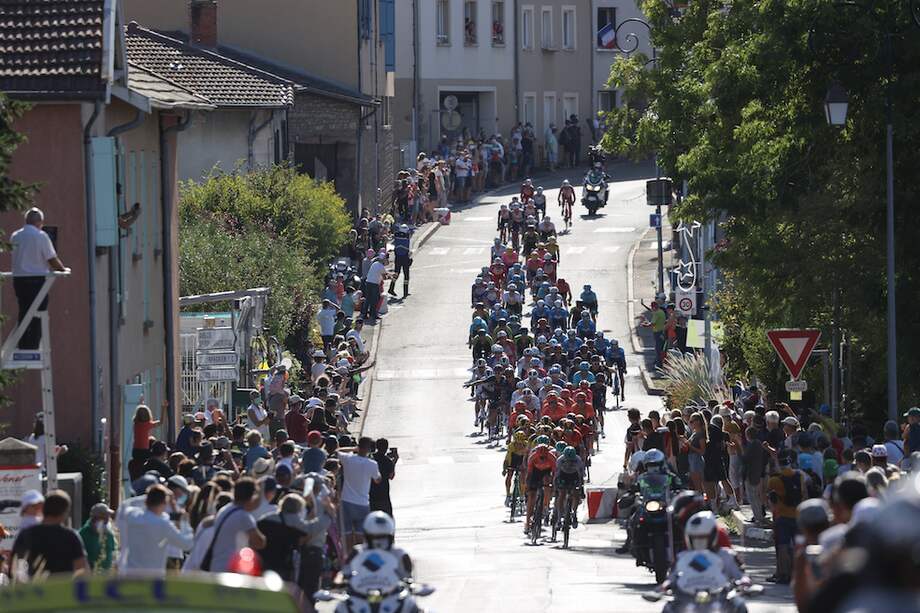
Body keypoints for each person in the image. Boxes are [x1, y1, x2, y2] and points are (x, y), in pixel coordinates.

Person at [10, 207, 67, 349]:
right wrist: (63, 270)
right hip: (36, 281)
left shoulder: (16, 236)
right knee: (37, 312)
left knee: (24, 310)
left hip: (19, 281)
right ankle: (32, 345)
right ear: (40, 222)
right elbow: (52, 259)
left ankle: (23, 343)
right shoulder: (41, 236)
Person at [10, 490, 86, 578]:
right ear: (65, 512)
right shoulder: (71, 536)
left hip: (35, 590)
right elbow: (82, 569)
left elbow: (15, 567)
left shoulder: (26, 534)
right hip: (65, 590)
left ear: (43, 509)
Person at [120, 485, 194, 574]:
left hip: (130, 575)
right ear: (164, 503)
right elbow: (187, 545)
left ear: (146, 501)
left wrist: (148, 496)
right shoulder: (163, 525)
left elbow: (124, 505)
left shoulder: (132, 516)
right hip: (153, 580)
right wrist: (185, 524)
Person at [205, 477, 266, 572]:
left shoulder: (225, 509)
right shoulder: (244, 516)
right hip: (229, 569)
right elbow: (259, 543)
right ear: (252, 496)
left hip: (216, 566)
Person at [767, 449, 806, 584]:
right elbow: (804, 494)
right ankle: (797, 572)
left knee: (782, 545)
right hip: (798, 515)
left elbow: (771, 501)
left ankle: (784, 574)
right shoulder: (799, 476)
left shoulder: (774, 481)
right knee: (797, 545)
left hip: (782, 516)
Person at [338, 437, 382, 549]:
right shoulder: (372, 464)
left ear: (358, 446)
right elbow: (377, 480)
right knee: (360, 536)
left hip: (346, 502)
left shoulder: (348, 459)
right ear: (369, 449)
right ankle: (359, 558)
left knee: (347, 534)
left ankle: (348, 559)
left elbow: (337, 451)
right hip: (362, 503)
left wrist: (354, 448)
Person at [78, 502, 116, 572]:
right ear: (95, 517)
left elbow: (113, 554)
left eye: (108, 516)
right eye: (104, 516)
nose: (107, 519)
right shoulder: (83, 534)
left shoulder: (109, 534)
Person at [370, 438, 398, 518]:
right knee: (388, 516)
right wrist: (394, 462)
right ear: (386, 448)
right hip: (383, 493)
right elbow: (391, 476)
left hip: (371, 491)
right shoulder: (388, 461)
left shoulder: (371, 458)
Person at [388, 224, 413, 299]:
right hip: (404, 257)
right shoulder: (407, 236)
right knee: (406, 275)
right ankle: (405, 292)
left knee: (396, 273)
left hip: (397, 257)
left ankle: (391, 288)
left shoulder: (396, 235)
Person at [362, 254, 387, 322]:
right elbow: (384, 277)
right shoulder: (381, 266)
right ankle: (373, 314)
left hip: (368, 282)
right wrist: (391, 275)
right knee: (375, 299)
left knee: (368, 298)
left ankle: (364, 314)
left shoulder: (374, 264)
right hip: (374, 284)